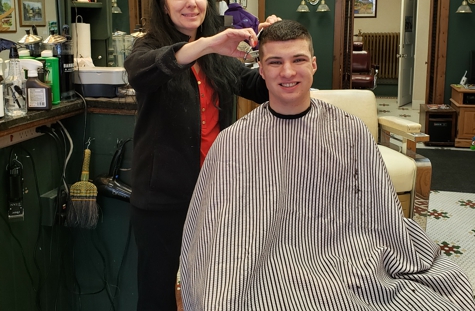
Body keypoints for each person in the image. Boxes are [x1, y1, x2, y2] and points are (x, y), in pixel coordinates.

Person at [180, 20, 475, 311]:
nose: (287, 72)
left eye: (298, 59)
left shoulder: (349, 130)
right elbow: (212, 226)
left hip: (343, 251)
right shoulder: (233, 141)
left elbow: (381, 209)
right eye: (275, 62)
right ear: (261, 69)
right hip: (261, 255)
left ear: (314, 65)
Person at [124, 0, 280, 311]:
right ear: (164, 3)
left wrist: (276, 51)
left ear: (208, 1)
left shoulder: (218, 56)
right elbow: (143, 71)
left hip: (213, 195)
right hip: (160, 200)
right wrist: (208, 44)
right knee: (157, 293)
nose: (190, 2)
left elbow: (258, 86)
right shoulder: (147, 49)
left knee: (211, 287)